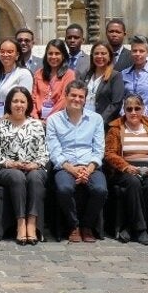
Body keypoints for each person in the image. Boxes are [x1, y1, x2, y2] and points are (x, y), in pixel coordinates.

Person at [104, 94, 148, 246]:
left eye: (137, 108)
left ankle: (129, 226)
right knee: (133, 183)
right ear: (124, 111)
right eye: (129, 109)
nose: (133, 112)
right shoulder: (115, 128)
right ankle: (140, 229)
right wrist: (125, 166)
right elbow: (110, 153)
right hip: (124, 170)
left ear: (143, 109)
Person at [46, 82, 107, 242]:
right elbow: (54, 151)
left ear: (85, 99)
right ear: (65, 96)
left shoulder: (96, 119)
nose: (77, 99)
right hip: (66, 167)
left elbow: (99, 149)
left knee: (100, 190)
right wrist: (72, 169)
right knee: (64, 188)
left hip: (90, 166)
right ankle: (74, 225)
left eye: (81, 96)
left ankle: (87, 226)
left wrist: (88, 169)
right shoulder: (53, 120)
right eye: (73, 95)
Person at [0, 88, 49, 245]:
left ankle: (32, 222)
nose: (19, 104)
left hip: (33, 168)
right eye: (15, 101)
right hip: (6, 169)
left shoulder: (37, 125)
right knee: (17, 176)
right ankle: (20, 223)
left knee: (36, 177)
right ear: (9, 103)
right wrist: (10, 163)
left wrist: (35, 164)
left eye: (22, 101)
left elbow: (44, 153)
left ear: (28, 104)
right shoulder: (0, 126)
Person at [120, 35, 148, 122]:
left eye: (141, 51)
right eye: (134, 51)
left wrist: (139, 117)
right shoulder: (124, 74)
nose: (138, 54)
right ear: (131, 52)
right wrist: (126, 115)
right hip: (128, 121)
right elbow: (121, 100)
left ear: (147, 53)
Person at [0, 38, 34, 119]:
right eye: (2, 52)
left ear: (17, 55)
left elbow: (22, 102)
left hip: (14, 122)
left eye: (10, 52)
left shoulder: (23, 74)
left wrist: (2, 121)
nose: (5, 54)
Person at [81, 41, 126, 122]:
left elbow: (116, 104)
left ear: (109, 57)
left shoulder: (115, 76)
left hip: (103, 122)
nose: (99, 56)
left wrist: (100, 120)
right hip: (83, 119)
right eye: (96, 53)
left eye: (103, 53)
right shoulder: (86, 74)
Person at [33, 39, 75, 120]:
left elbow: (64, 100)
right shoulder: (38, 73)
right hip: (37, 120)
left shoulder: (69, 74)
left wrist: (50, 119)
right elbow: (33, 97)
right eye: (50, 54)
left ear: (63, 56)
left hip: (58, 119)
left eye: (57, 54)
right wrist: (35, 117)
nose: (53, 57)